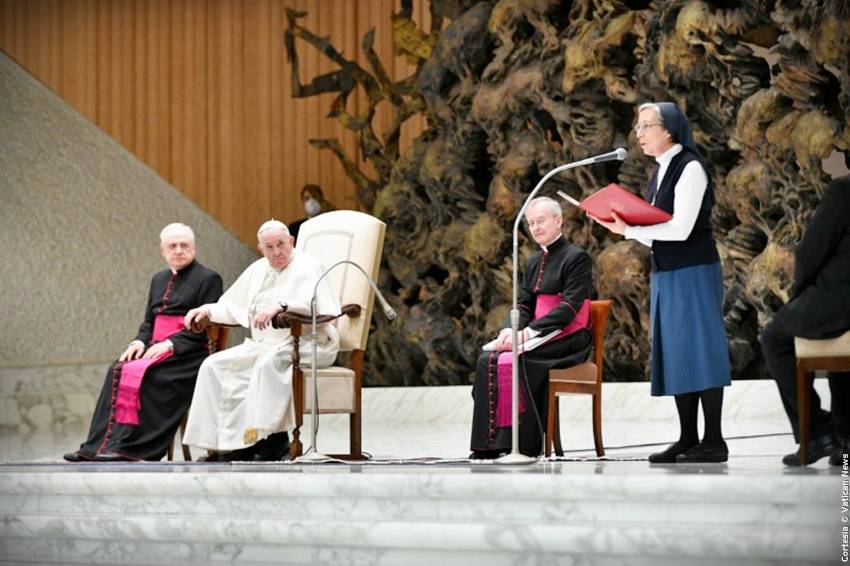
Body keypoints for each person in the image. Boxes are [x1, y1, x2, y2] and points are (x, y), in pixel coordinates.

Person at [591, 102, 731, 464]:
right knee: (678, 351)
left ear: (669, 130)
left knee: (701, 350)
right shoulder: (659, 171)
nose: (638, 134)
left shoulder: (690, 168)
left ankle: (714, 441)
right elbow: (658, 231)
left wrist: (629, 230)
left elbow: (681, 229)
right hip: (667, 272)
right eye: (637, 127)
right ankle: (688, 438)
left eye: (646, 126)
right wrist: (627, 227)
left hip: (694, 271)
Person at [182, 220, 340, 461]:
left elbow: (324, 306)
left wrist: (284, 306)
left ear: (291, 241)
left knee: (267, 365)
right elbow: (233, 305)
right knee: (213, 366)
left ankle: (275, 441)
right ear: (261, 248)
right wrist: (207, 310)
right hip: (265, 345)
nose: (277, 252)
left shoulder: (309, 266)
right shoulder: (257, 270)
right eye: (270, 247)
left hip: (307, 342)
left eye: (281, 244)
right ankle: (231, 443)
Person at [64, 223, 223, 462]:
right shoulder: (158, 279)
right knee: (117, 369)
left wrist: (171, 344)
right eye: (172, 246)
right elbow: (150, 320)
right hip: (154, 348)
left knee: (152, 376)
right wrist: (138, 342)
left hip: (189, 354)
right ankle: (96, 447)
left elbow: (208, 325)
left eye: (184, 245)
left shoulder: (209, 278)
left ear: (194, 248)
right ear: (162, 250)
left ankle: (132, 449)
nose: (179, 250)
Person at [470, 197, 593, 458]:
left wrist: (528, 332)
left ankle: (525, 445)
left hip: (568, 336)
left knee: (521, 360)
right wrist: (510, 329)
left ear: (558, 221)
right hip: (538, 335)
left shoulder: (577, 257)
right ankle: (490, 445)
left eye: (541, 221)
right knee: (486, 360)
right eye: (531, 223)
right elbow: (524, 304)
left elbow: (569, 307)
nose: (535, 228)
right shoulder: (533, 261)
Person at [760, 175, 850, 466]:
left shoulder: (844, 190)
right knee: (840, 354)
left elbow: (812, 250)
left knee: (774, 339)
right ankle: (845, 439)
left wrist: (798, 292)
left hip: (838, 300)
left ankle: (817, 433)